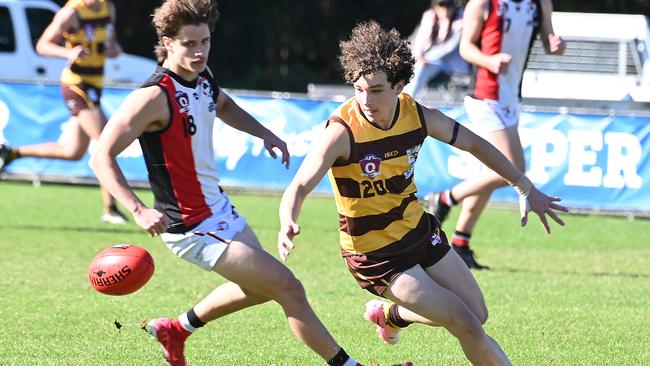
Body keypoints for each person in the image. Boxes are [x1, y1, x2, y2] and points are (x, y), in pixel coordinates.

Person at [89, 2, 411, 366]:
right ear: (167, 42)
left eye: (205, 41)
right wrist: (137, 208)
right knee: (288, 287)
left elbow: (221, 104)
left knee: (259, 290)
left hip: (219, 210)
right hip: (189, 225)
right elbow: (100, 156)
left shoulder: (202, 76)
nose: (199, 51)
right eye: (189, 43)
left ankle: (176, 328)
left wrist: (264, 133)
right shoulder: (151, 97)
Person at [278, 21, 567, 365]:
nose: (365, 100)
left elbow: (475, 143)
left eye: (376, 90)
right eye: (359, 89)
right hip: (376, 256)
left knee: (478, 312)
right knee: (467, 324)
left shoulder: (417, 116)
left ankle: (391, 317)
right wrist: (287, 221)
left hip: (419, 231)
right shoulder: (342, 132)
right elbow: (299, 185)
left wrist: (524, 185)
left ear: (400, 85)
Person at [426, 0, 566, 269]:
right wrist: (488, 60)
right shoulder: (482, 3)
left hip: (511, 97)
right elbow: (466, 47)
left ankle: (461, 243)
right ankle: (446, 198)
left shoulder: (539, 3)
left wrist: (558, 46)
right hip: (485, 96)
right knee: (512, 169)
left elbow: (550, 43)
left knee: (490, 172)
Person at [0, 0, 127, 224]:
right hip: (77, 85)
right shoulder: (71, 12)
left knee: (74, 151)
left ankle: (11, 153)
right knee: (105, 142)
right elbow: (43, 45)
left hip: (96, 82)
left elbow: (113, 45)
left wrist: (114, 50)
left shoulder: (109, 8)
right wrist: (68, 53)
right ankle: (110, 208)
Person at [403, 0, 469, 102]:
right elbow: (419, 41)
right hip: (428, 62)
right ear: (435, 6)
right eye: (441, 5)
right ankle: (402, 99)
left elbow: (451, 49)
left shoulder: (461, 18)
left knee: (420, 68)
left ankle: (406, 101)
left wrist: (427, 59)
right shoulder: (429, 16)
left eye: (449, 5)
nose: (445, 9)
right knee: (410, 66)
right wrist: (418, 56)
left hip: (451, 65)